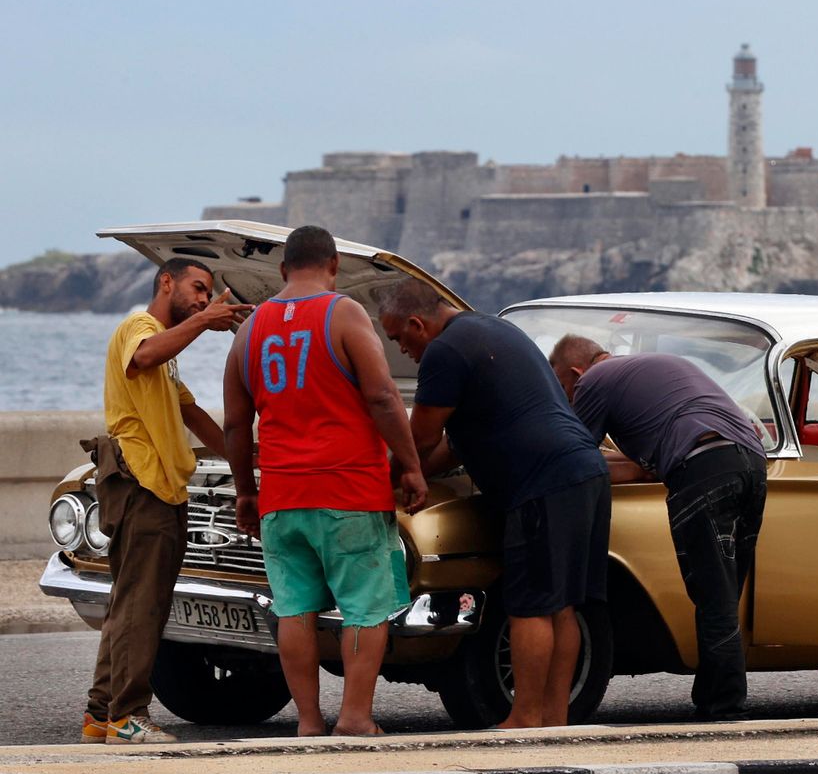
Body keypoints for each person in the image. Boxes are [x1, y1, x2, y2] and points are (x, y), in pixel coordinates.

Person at [223, 226, 427, 738]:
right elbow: (382, 396)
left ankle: (309, 721)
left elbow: (233, 422)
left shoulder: (250, 330)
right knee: (363, 604)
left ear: (282, 269)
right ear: (333, 264)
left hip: (282, 494)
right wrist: (410, 465)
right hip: (348, 490)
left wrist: (246, 491)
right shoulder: (344, 313)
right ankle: (355, 716)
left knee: (294, 609)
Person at [378, 278, 609, 729]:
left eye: (398, 338)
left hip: (542, 483)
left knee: (530, 605)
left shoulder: (445, 351)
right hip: (583, 472)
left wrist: (383, 479)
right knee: (563, 605)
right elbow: (452, 448)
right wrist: (420, 471)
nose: (400, 349)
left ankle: (523, 718)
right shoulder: (493, 330)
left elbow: (420, 437)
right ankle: (554, 718)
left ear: (415, 323)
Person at [547, 335, 767, 721]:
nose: (569, 398)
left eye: (564, 388)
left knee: (713, 595)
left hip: (702, 469)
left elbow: (574, 457)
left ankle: (725, 708)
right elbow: (635, 461)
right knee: (725, 592)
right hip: (750, 464)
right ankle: (712, 694)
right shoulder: (652, 370)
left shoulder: (593, 382)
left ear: (576, 373)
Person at [83, 258, 253, 744]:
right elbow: (144, 356)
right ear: (166, 282)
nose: (203, 299)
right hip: (144, 487)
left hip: (156, 488)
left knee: (128, 603)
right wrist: (203, 322)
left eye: (207, 294)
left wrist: (246, 453)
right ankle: (128, 716)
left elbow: (191, 412)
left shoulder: (165, 348)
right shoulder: (141, 328)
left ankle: (100, 713)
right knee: (144, 607)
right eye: (197, 289)